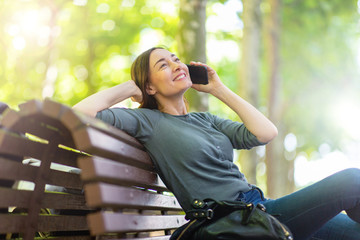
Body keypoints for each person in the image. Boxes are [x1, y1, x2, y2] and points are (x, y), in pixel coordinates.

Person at [73, 47, 360, 240]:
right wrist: (129, 87)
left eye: (175, 58)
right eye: (163, 65)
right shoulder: (146, 121)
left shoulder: (205, 120)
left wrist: (219, 89)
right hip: (233, 220)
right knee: (353, 180)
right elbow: (80, 114)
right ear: (150, 87)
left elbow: (265, 133)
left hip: (260, 207)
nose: (176, 64)